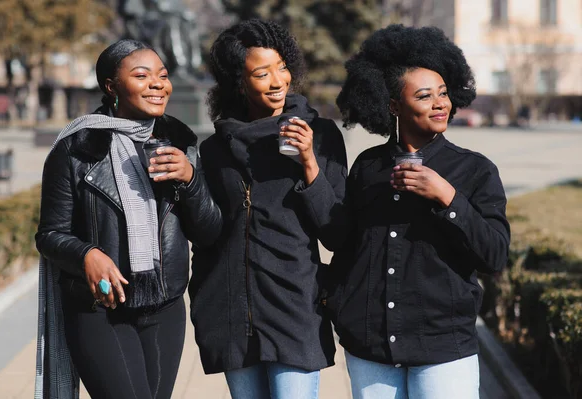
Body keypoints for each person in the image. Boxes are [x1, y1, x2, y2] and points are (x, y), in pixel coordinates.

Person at [327, 25, 511, 399]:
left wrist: (447, 196)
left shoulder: (474, 170)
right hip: (371, 345)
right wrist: (338, 299)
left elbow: (495, 256)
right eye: (425, 96)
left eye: (443, 93)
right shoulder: (368, 167)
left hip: (443, 348)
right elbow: (345, 245)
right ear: (394, 106)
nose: (440, 103)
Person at [34, 39, 222, 399]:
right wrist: (87, 254)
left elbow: (208, 231)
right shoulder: (77, 148)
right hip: (100, 310)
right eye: (142, 75)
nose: (158, 84)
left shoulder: (181, 142)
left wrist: (190, 180)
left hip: (165, 308)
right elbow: (50, 234)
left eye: (163, 76)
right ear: (111, 86)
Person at [189, 19, 347, 399]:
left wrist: (309, 163)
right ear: (238, 83)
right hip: (231, 313)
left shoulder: (321, 136)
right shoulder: (215, 149)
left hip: (295, 306)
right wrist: (188, 184)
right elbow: (207, 232)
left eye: (282, 67)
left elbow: (337, 232)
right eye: (262, 73)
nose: (278, 81)